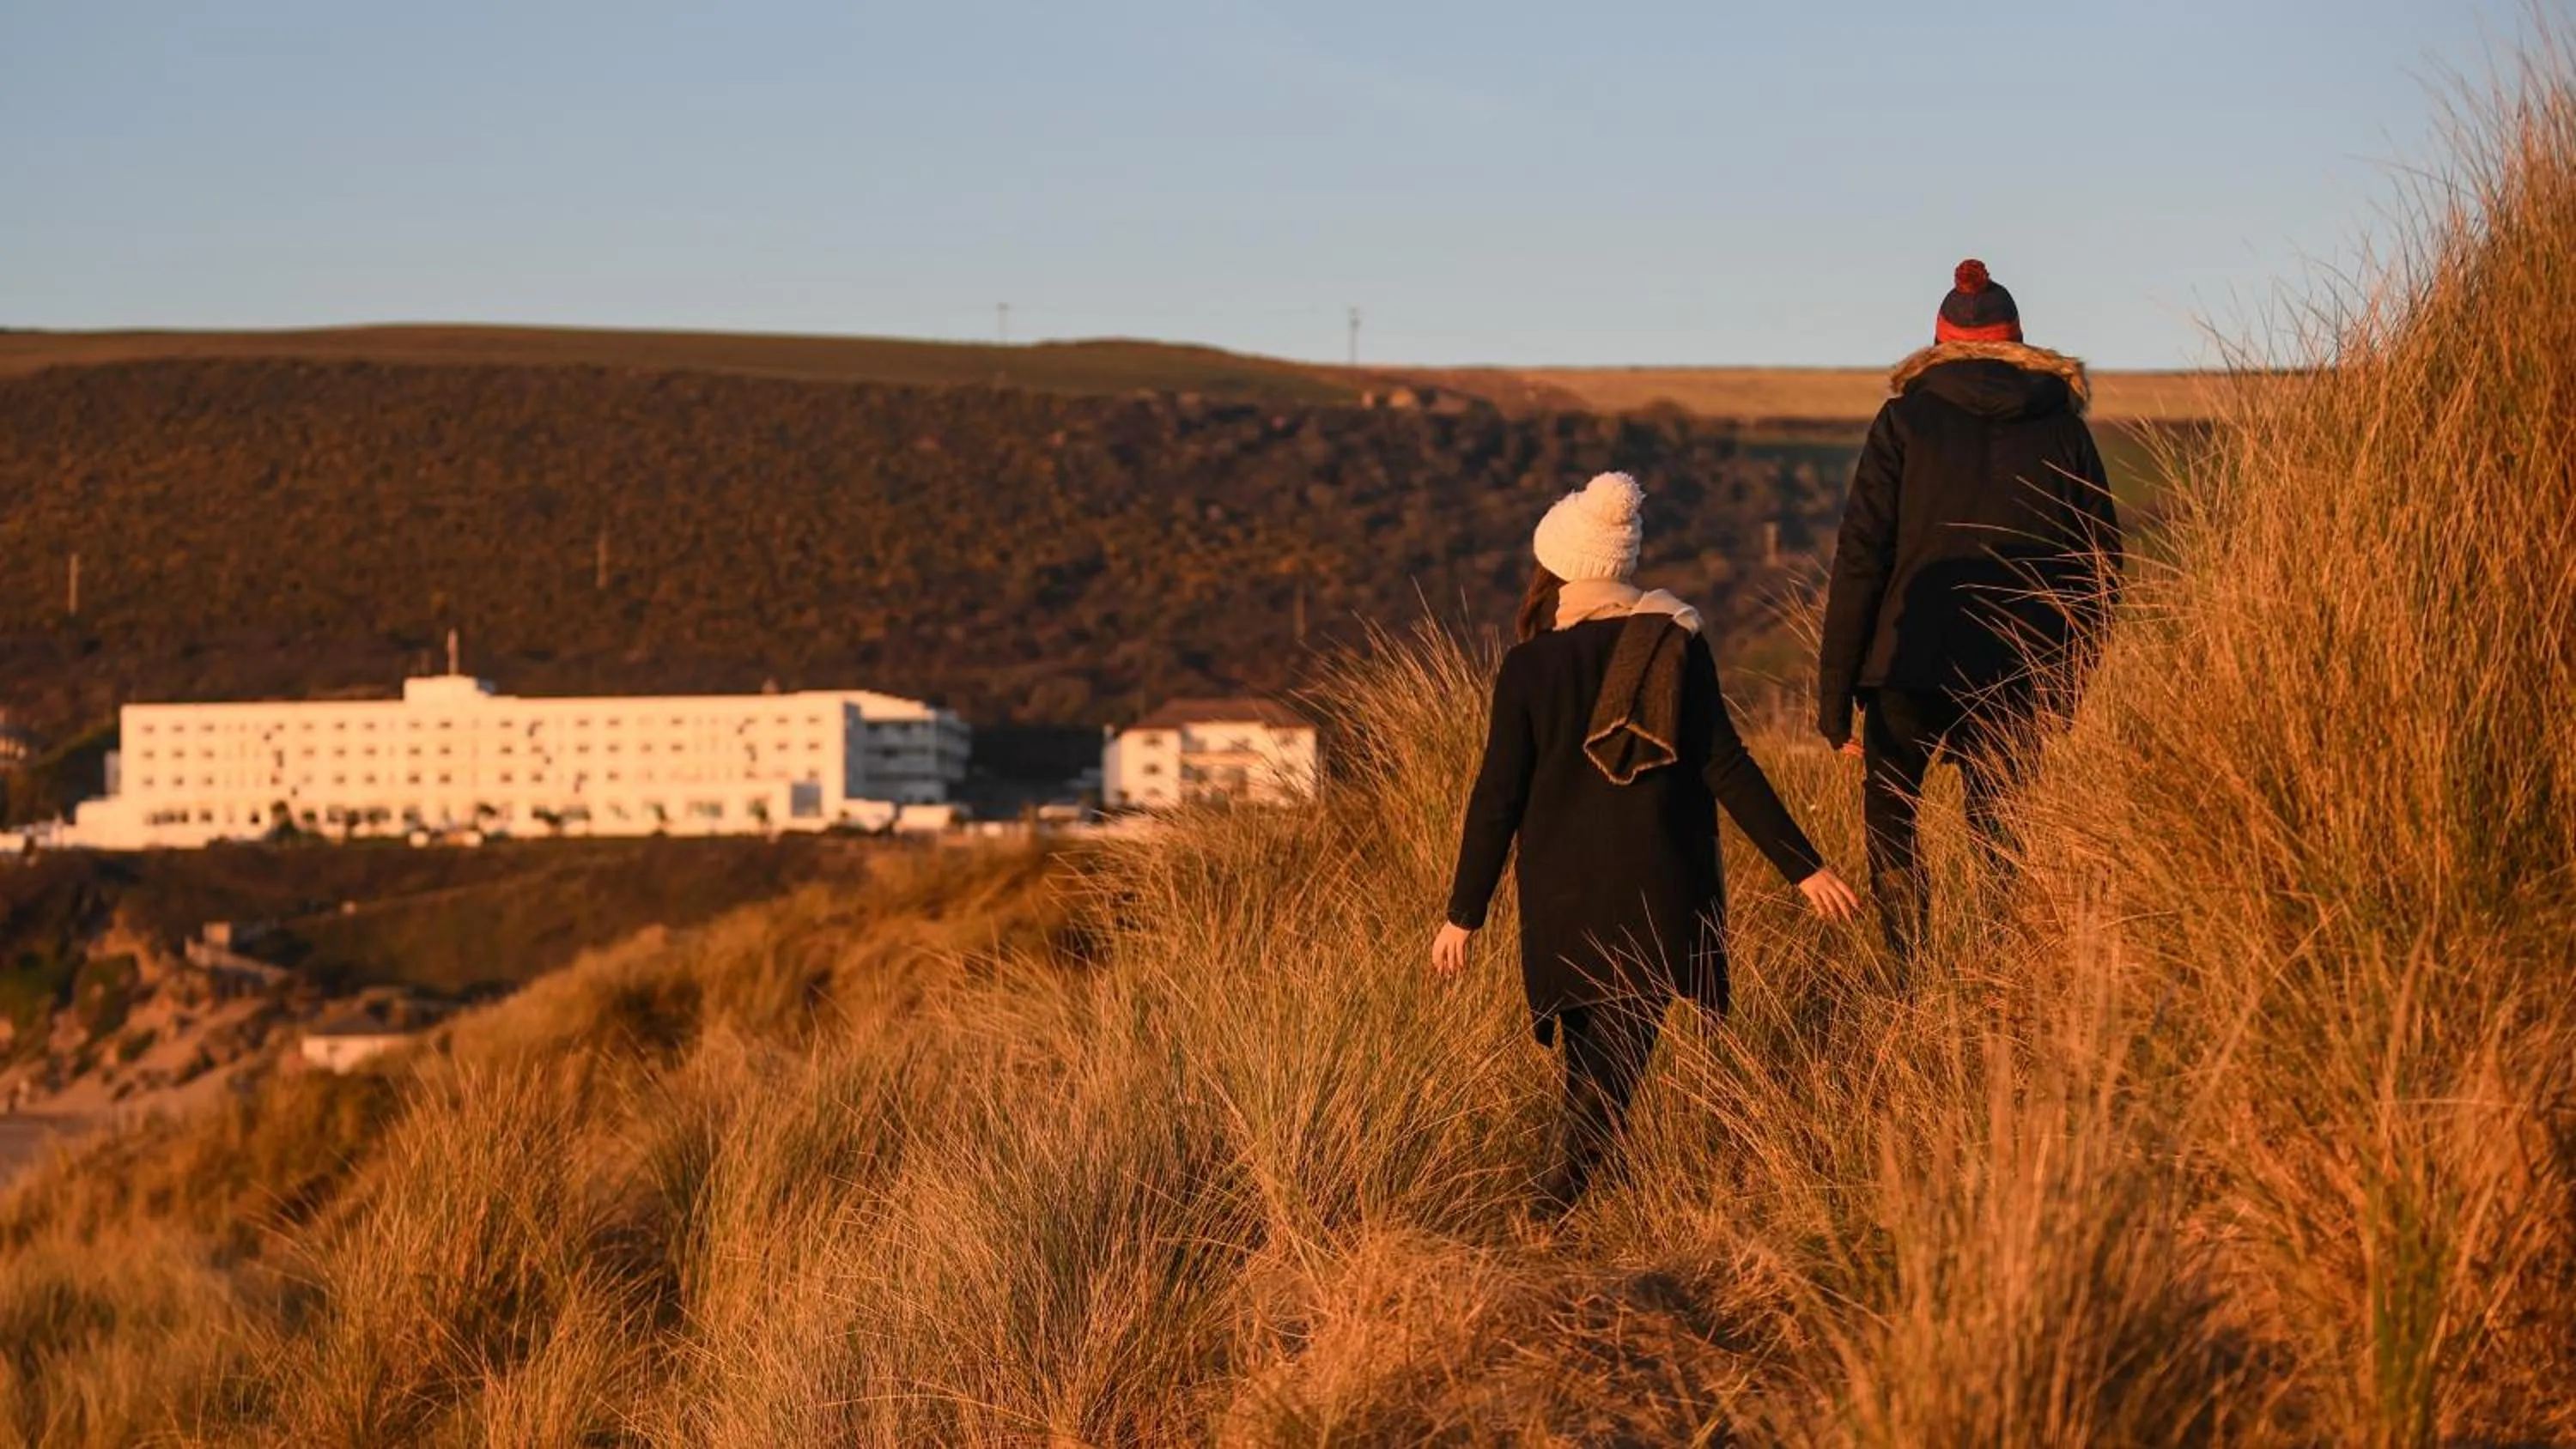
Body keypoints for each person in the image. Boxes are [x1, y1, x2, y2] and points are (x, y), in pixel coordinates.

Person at [1434, 471, 1860, 1215]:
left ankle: (1561, 1217)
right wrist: (1804, 867)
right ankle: (1557, 1215)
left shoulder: (1532, 666)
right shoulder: (1673, 645)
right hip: (1657, 895)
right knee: (1605, 1078)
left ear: (1559, 567)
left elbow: (1497, 796)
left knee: (1598, 1071)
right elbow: (1725, 765)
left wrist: (1464, 914)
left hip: (1562, 902)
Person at [1817, 260, 2124, 955]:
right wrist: (2065, 684)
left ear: (1940, 341)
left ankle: (1910, 976)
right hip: (2019, 671)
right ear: (2018, 340)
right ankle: (1999, 979)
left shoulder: (1904, 421)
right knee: (2002, 833)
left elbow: (1862, 556)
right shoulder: (2063, 430)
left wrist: (1835, 697)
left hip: (1907, 661)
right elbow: (2102, 569)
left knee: (1892, 821)